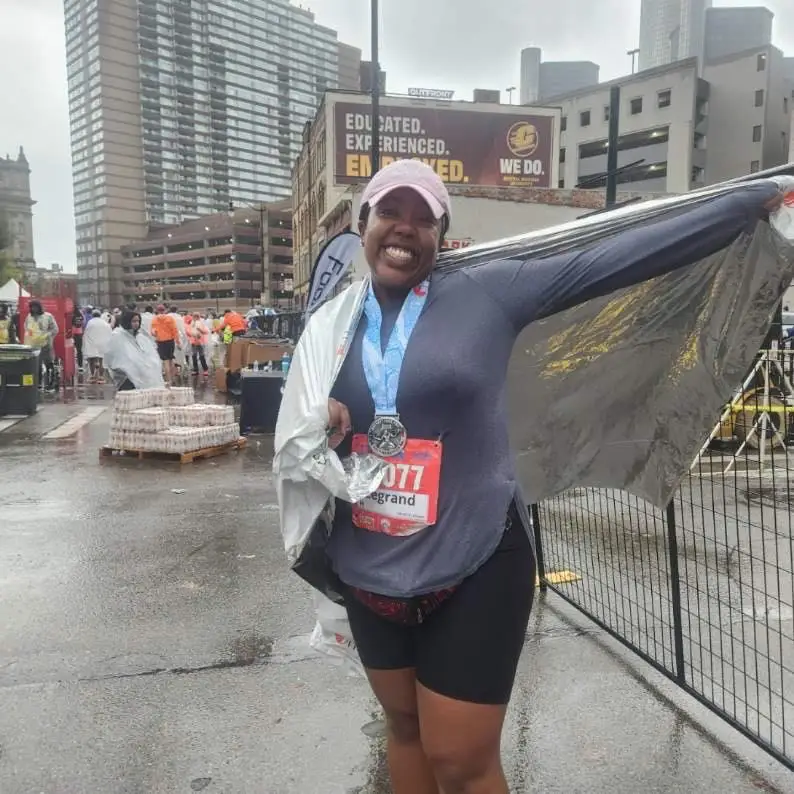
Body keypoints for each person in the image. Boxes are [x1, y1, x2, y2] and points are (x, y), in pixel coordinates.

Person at [277, 159, 784, 794]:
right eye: (390, 213)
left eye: (422, 218)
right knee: (404, 731)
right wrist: (315, 419)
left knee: (461, 761)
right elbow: (292, 424)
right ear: (364, 223)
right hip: (370, 565)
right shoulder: (334, 321)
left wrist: (745, 203)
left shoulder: (492, 289)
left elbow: (618, 253)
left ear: (442, 233)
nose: (404, 229)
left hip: (476, 561)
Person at [104, 310, 165, 391]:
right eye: (133, 321)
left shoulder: (140, 337)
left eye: (138, 321)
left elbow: (149, 353)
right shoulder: (117, 335)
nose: (136, 323)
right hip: (125, 376)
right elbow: (113, 355)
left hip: (141, 374)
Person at [24, 300, 59, 390]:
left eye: (35, 307)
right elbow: (26, 328)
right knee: (36, 365)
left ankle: (50, 383)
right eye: (32, 307)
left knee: (49, 364)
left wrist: (47, 335)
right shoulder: (29, 317)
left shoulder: (48, 316)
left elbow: (55, 329)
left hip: (46, 345)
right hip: (33, 346)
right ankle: (38, 383)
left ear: (39, 307)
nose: (33, 309)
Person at [151, 303, 179, 384]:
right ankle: (173, 379)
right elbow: (175, 330)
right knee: (171, 359)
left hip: (160, 341)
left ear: (157, 311)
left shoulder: (154, 320)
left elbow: (153, 332)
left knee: (165, 361)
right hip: (170, 341)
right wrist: (178, 341)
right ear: (165, 310)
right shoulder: (170, 318)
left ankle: (169, 380)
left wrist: (157, 334)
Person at [83, 308, 113, 383]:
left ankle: (93, 376)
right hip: (103, 343)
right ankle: (101, 377)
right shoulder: (104, 323)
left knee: (91, 360)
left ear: (92, 315)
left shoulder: (90, 322)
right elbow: (109, 332)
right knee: (101, 359)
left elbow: (87, 333)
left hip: (92, 343)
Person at [188, 311, 210, 376]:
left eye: (197, 316)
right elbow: (188, 331)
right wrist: (193, 335)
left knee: (201, 356)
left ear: (199, 317)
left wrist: (200, 330)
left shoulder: (202, 323)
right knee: (194, 356)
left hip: (200, 342)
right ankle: (195, 370)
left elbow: (206, 332)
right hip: (193, 342)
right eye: (194, 316)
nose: (196, 318)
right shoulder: (191, 324)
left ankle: (205, 370)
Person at [71, 307, 84, 372]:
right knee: (79, 351)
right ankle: (80, 366)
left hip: (72, 334)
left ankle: (71, 365)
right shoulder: (81, 315)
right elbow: (83, 324)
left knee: (71, 350)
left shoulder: (71, 315)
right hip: (79, 334)